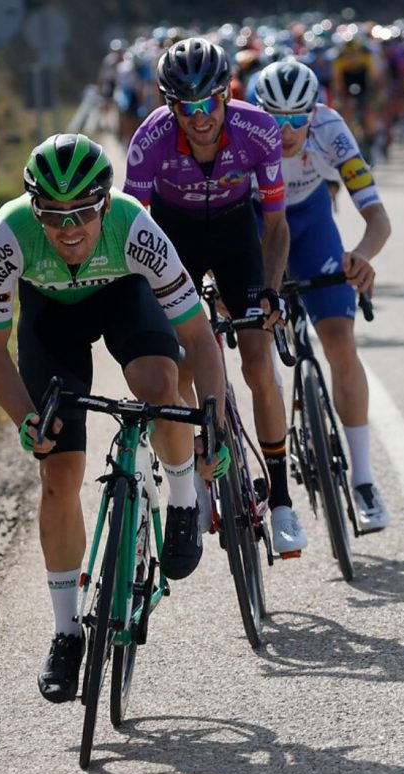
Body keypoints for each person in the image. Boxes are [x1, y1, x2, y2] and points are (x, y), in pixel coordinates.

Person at [0, 133, 228, 704]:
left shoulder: (135, 226)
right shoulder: (8, 235)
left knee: (159, 387)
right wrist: (26, 420)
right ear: (34, 209)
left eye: (84, 213)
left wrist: (211, 421)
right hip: (50, 321)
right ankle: (67, 633)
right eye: (53, 215)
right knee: (58, 474)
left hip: (124, 298)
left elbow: (197, 337)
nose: (69, 229)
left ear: (106, 205)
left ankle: (182, 499)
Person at [123, 37, 310, 556]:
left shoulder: (258, 129)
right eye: (186, 106)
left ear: (226, 94)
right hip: (173, 238)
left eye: (209, 102)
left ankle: (281, 501)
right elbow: (130, 228)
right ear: (169, 105)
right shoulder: (149, 140)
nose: (200, 116)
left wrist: (270, 290)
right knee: (178, 367)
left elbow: (275, 224)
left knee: (257, 361)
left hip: (235, 236)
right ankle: (198, 468)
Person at [253, 60, 392, 531]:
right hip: (257, 225)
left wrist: (361, 255)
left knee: (340, 341)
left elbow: (378, 218)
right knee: (259, 351)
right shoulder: (242, 134)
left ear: (314, 111)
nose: (287, 130)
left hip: (312, 224)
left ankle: (364, 480)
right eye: (276, 118)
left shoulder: (331, 130)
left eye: (298, 117)